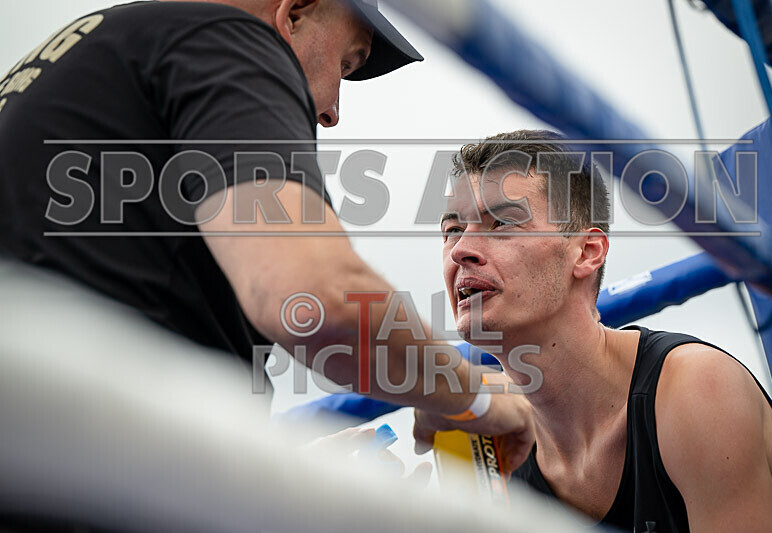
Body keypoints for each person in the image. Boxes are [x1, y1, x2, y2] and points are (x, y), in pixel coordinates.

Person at [0, 0, 535, 473]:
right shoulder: (226, 43)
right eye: (344, 65)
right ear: (294, 12)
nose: (331, 110)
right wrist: (470, 396)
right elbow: (318, 299)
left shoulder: (87, 56)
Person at [414, 129, 772, 532]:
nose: (461, 250)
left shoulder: (696, 390)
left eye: (502, 223)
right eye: (452, 230)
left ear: (586, 252)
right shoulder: (490, 449)